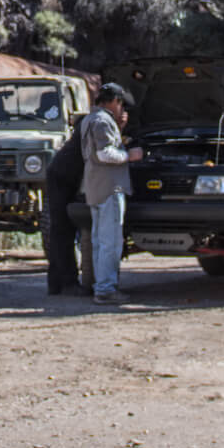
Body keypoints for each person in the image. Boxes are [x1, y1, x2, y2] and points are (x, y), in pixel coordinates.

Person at [80, 83, 142, 305]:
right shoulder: (102, 121)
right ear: (114, 101)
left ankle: (101, 285)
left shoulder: (89, 119)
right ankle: (106, 289)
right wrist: (129, 155)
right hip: (109, 188)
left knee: (99, 240)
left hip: (94, 186)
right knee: (111, 242)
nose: (121, 108)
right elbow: (105, 153)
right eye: (121, 103)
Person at [41, 120, 88, 295]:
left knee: (60, 231)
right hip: (63, 177)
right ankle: (68, 283)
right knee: (62, 230)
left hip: (61, 175)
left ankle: (56, 283)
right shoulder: (96, 123)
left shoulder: (89, 121)